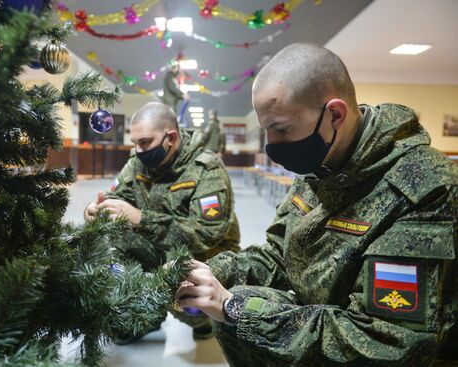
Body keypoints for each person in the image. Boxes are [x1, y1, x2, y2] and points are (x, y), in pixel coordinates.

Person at [175, 43, 458, 366]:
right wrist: (211, 273)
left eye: (281, 129)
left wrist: (232, 307)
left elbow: (386, 342)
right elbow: (279, 255)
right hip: (323, 315)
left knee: (238, 310)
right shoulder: (321, 164)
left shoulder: (423, 188)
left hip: (383, 348)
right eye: (267, 131)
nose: (273, 146)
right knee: (237, 307)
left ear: (334, 115)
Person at [84, 101, 240, 341]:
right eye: (135, 143)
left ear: (171, 137)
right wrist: (96, 210)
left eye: (145, 142)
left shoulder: (206, 168)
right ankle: (143, 314)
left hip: (202, 254)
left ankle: (204, 319)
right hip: (157, 246)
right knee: (117, 244)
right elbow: (116, 198)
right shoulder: (138, 160)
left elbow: (205, 235)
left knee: (181, 275)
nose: (138, 150)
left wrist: (140, 218)